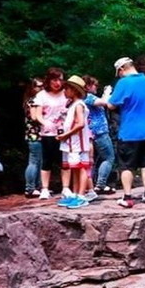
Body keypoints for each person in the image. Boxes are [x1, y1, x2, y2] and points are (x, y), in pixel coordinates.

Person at [108, 56, 145, 209]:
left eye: (119, 73)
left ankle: (127, 197)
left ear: (122, 69)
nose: (119, 76)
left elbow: (111, 105)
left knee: (126, 166)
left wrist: (106, 97)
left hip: (130, 132)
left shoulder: (124, 83)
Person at [58, 76, 96, 207]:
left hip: (79, 143)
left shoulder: (79, 105)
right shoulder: (72, 105)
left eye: (67, 88)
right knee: (74, 168)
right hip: (72, 144)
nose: (64, 91)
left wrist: (65, 135)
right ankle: (74, 194)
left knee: (82, 167)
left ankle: (81, 195)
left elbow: (80, 123)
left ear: (74, 90)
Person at [31, 68, 69, 199]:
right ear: (49, 80)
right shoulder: (42, 95)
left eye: (60, 79)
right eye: (54, 79)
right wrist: (45, 123)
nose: (58, 83)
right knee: (46, 160)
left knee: (65, 161)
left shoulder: (66, 93)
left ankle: (66, 188)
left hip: (66, 132)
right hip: (48, 133)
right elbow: (37, 115)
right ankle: (45, 189)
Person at [82, 75, 117, 195]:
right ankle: (100, 184)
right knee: (109, 157)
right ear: (87, 86)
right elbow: (105, 103)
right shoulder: (88, 97)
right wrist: (108, 92)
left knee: (96, 160)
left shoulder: (84, 98)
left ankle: (91, 185)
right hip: (99, 132)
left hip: (91, 133)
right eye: (94, 85)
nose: (96, 87)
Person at [22, 77, 44, 197]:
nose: (41, 89)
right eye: (38, 86)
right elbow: (35, 118)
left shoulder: (32, 100)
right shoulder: (33, 101)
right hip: (34, 135)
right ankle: (30, 188)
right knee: (34, 162)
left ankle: (37, 187)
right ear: (32, 88)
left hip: (37, 135)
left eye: (42, 86)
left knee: (39, 161)